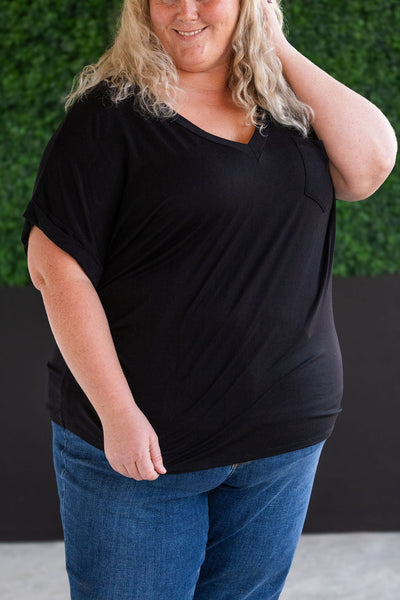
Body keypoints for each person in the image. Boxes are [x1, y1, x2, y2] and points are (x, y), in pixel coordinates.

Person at [22, 0, 396, 598]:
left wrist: (274, 45)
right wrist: (118, 415)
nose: (186, 10)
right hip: (146, 450)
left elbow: (369, 166)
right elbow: (55, 270)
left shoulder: (290, 109)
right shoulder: (109, 116)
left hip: (280, 440)